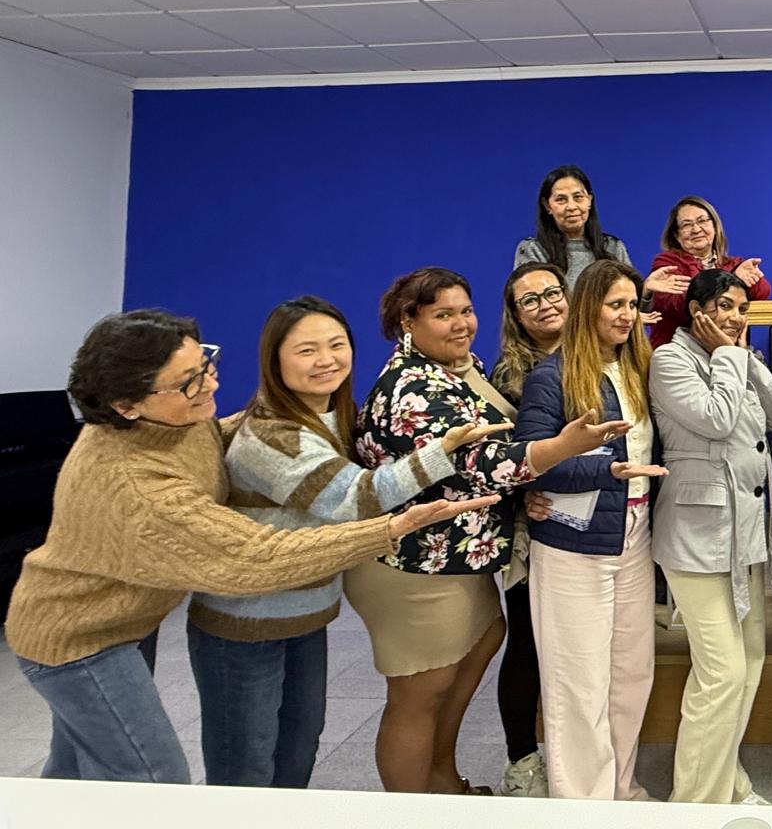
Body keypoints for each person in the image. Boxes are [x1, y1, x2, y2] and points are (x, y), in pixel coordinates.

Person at [5, 310, 491, 785]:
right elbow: (254, 557)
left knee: (74, 772)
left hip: (131, 614)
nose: (210, 384)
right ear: (125, 405)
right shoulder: (137, 489)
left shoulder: (174, 418)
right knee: (150, 775)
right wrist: (387, 529)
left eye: (205, 365)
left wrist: (275, 417)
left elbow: (215, 444)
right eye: (188, 383)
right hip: (79, 634)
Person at [186, 297, 506, 789]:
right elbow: (355, 497)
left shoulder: (332, 415)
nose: (326, 360)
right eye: (306, 350)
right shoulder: (275, 436)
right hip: (245, 625)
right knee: (245, 767)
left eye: (336, 345)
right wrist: (441, 451)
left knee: (297, 748)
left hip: (304, 614)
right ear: (274, 359)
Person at [346, 267, 621, 795]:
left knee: (461, 667)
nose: (461, 324)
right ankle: (410, 810)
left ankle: (444, 783)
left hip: (459, 555)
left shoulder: (460, 368)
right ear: (408, 321)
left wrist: (529, 484)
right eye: (443, 315)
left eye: (465, 311)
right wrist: (561, 449)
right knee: (418, 695)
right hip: (413, 563)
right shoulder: (411, 387)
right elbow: (478, 463)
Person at [515, 259, 667, 801]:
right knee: (577, 683)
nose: (626, 315)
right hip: (572, 545)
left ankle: (620, 789)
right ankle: (584, 804)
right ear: (587, 308)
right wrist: (607, 471)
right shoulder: (552, 376)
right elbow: (531, 462)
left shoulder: (639, 368)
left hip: (634, 535)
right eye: (614, 305)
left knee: (631, 674)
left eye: (632, 305)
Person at [649, 268, 772, 805]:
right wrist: (730, 356)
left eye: (742, 309)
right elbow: (717, 419)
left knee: (750, 661)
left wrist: (744, 357)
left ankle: (727, 782)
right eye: (724, 306)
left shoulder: (737, 356)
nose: (734, 317)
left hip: (745, 533)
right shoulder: (670, 360)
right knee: (722, 672)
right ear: (697, 310)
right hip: (697, 535)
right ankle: (694, 805)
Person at [488, 261, 571, 798]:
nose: (545, 305)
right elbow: (501, 456)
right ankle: (521, 758)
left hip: (601, 523)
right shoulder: (509, 376)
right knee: (528, 641)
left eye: (552, 292)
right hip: (532, 525)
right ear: (516, 315)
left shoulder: (604, 353)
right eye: (530, 300)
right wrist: (525, 492)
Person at [512, 164, 686, 312]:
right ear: (547, 206)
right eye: (561, 200)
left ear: (589, 200)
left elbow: (635, 310)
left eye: (578, 197)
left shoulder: (612, 247)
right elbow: (534, 310)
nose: (571, 206)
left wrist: (646, 290)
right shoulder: (533, 250)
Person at [647, 195, 772, 347]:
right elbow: (679, 306)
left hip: (728, 348)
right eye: (687, 225)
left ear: (714, 227)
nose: (696, 229)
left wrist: (741, 279)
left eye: (702, 221)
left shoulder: (733, 264)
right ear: (676, 235)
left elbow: (762, 292)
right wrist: (733, 281)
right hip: (680, 350)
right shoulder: (667, 263)